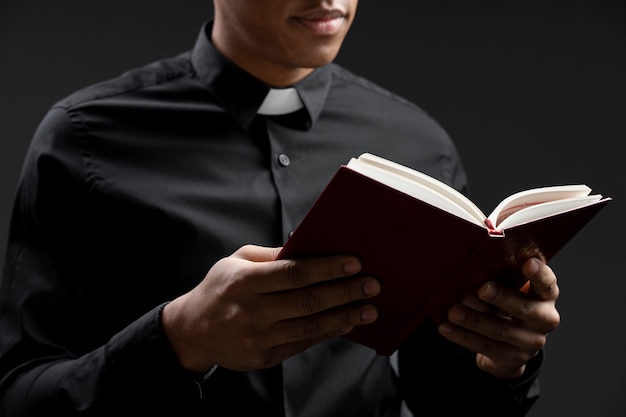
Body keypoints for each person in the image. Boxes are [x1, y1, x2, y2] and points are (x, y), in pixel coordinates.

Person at [0, 1, 561, 416]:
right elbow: (20, 395)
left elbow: (451, 400)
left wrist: (504, 363)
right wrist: (179, 340)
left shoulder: (419, 144)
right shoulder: (83, 138)